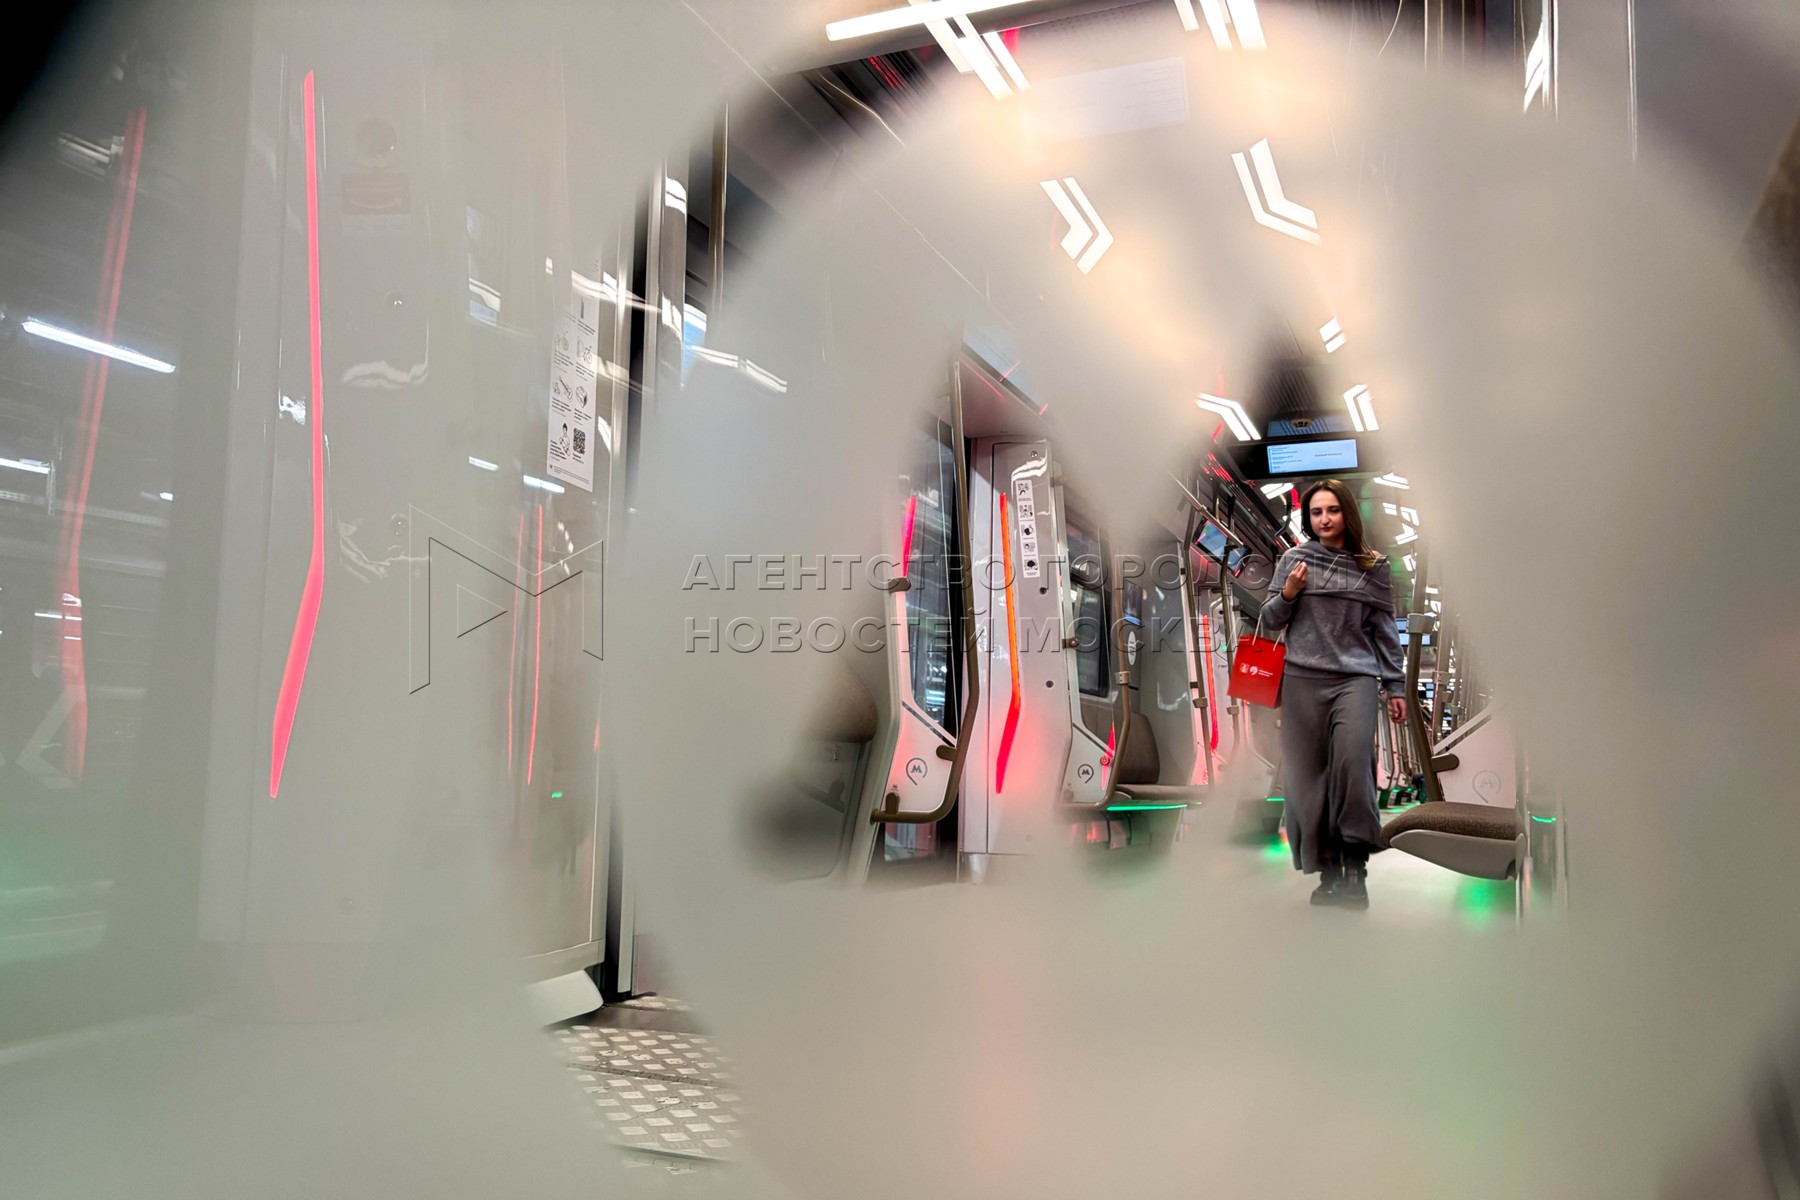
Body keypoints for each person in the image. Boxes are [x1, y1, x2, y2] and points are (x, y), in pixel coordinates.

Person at [1259, 479, 1408, 909]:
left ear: (1347, 514)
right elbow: (1270, 619)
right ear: (1308, 519)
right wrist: (1289, 593)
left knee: (1352, 767)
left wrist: (1395, 685)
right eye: (1316, 512)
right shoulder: (1294, 560)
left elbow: (1384, 631)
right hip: (1301, 680)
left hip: (1354, 679)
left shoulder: (1373, 567)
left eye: (1332, 510)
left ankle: (1355, 869)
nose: (1324, 519)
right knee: (1309, 781)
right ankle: (1328, 873)